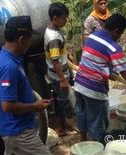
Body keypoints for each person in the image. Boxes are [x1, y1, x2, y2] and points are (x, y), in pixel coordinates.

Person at [0, 16, 58, 155]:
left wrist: (33, 103)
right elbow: (7, 106)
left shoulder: (4, 57)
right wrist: (34, 107)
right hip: (18, 130)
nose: (30, 43)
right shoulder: (8, 66)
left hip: (10, 128)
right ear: (22, 40)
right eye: (29, 39)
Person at [74, 14, 126, 142]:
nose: (120, 37)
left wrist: (107, 72)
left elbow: (94, 59)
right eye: (121, 33)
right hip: (94, 89)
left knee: (82, 114)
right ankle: (98, 149)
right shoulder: (113, 47)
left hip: (79, 84)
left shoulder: (92, 36)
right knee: (98, 122)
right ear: (116, 30)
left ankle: (83, 141)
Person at [44, 2, 75, 136]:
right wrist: (62, 79)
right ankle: (62, 128)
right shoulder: (54, 37)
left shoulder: (52, 30)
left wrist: (66, 54)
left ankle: (61, 127)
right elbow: (55, 60)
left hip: (56, 73)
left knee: (59, 100)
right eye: (64, 18)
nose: (66, 21)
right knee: (63, 101)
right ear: (55, 18)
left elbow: (57, 53)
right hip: (58, 75)